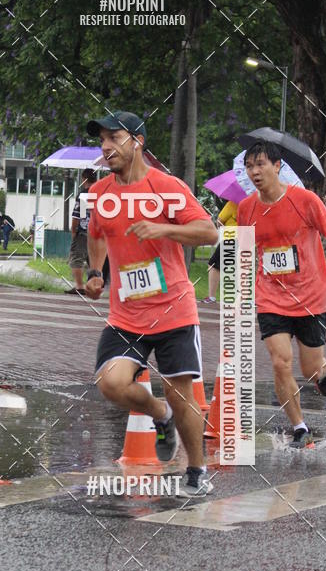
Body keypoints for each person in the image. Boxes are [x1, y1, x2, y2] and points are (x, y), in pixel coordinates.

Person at [84, 110, 218, 496]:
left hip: (174, 308)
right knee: (112, 383)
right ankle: (160, 415)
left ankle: (196, 470)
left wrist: (163, 228)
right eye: (103, 140)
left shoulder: (167, 187)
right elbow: (96, 233)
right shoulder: (100, 193)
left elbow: (208, 232)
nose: (106, 147)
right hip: (126, 313)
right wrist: (96, 272)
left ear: (138, 141)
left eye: (115, 138)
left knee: (182, 391)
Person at [237, 139, 326, 446]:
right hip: (271, 298)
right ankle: (299, 426)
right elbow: (245, 254)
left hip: (311, 296)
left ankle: (323, 376)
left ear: (277, 167)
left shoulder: (305, 201)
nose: (254, 172)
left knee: (312, 370)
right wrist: (243, 294)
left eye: (261, 164)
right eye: (249, 166)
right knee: (280, 361)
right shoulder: (246, 209)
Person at [66, 169, 97, 295]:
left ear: (84, 178)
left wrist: (74, 230)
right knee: (93, 260)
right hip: (97, 232)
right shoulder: (101, 193)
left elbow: (78, 215)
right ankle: (94, 286)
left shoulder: (84, 195)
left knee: (77, 258)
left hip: (84, 232)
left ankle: (79, 286)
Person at [202, 199, 238, 304]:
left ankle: (211, 296)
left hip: (231, 236)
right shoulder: (252, 205)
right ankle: (245, 299)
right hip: (246, 237)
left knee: (213, 264)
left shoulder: (233, 203)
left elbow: (220, 221)